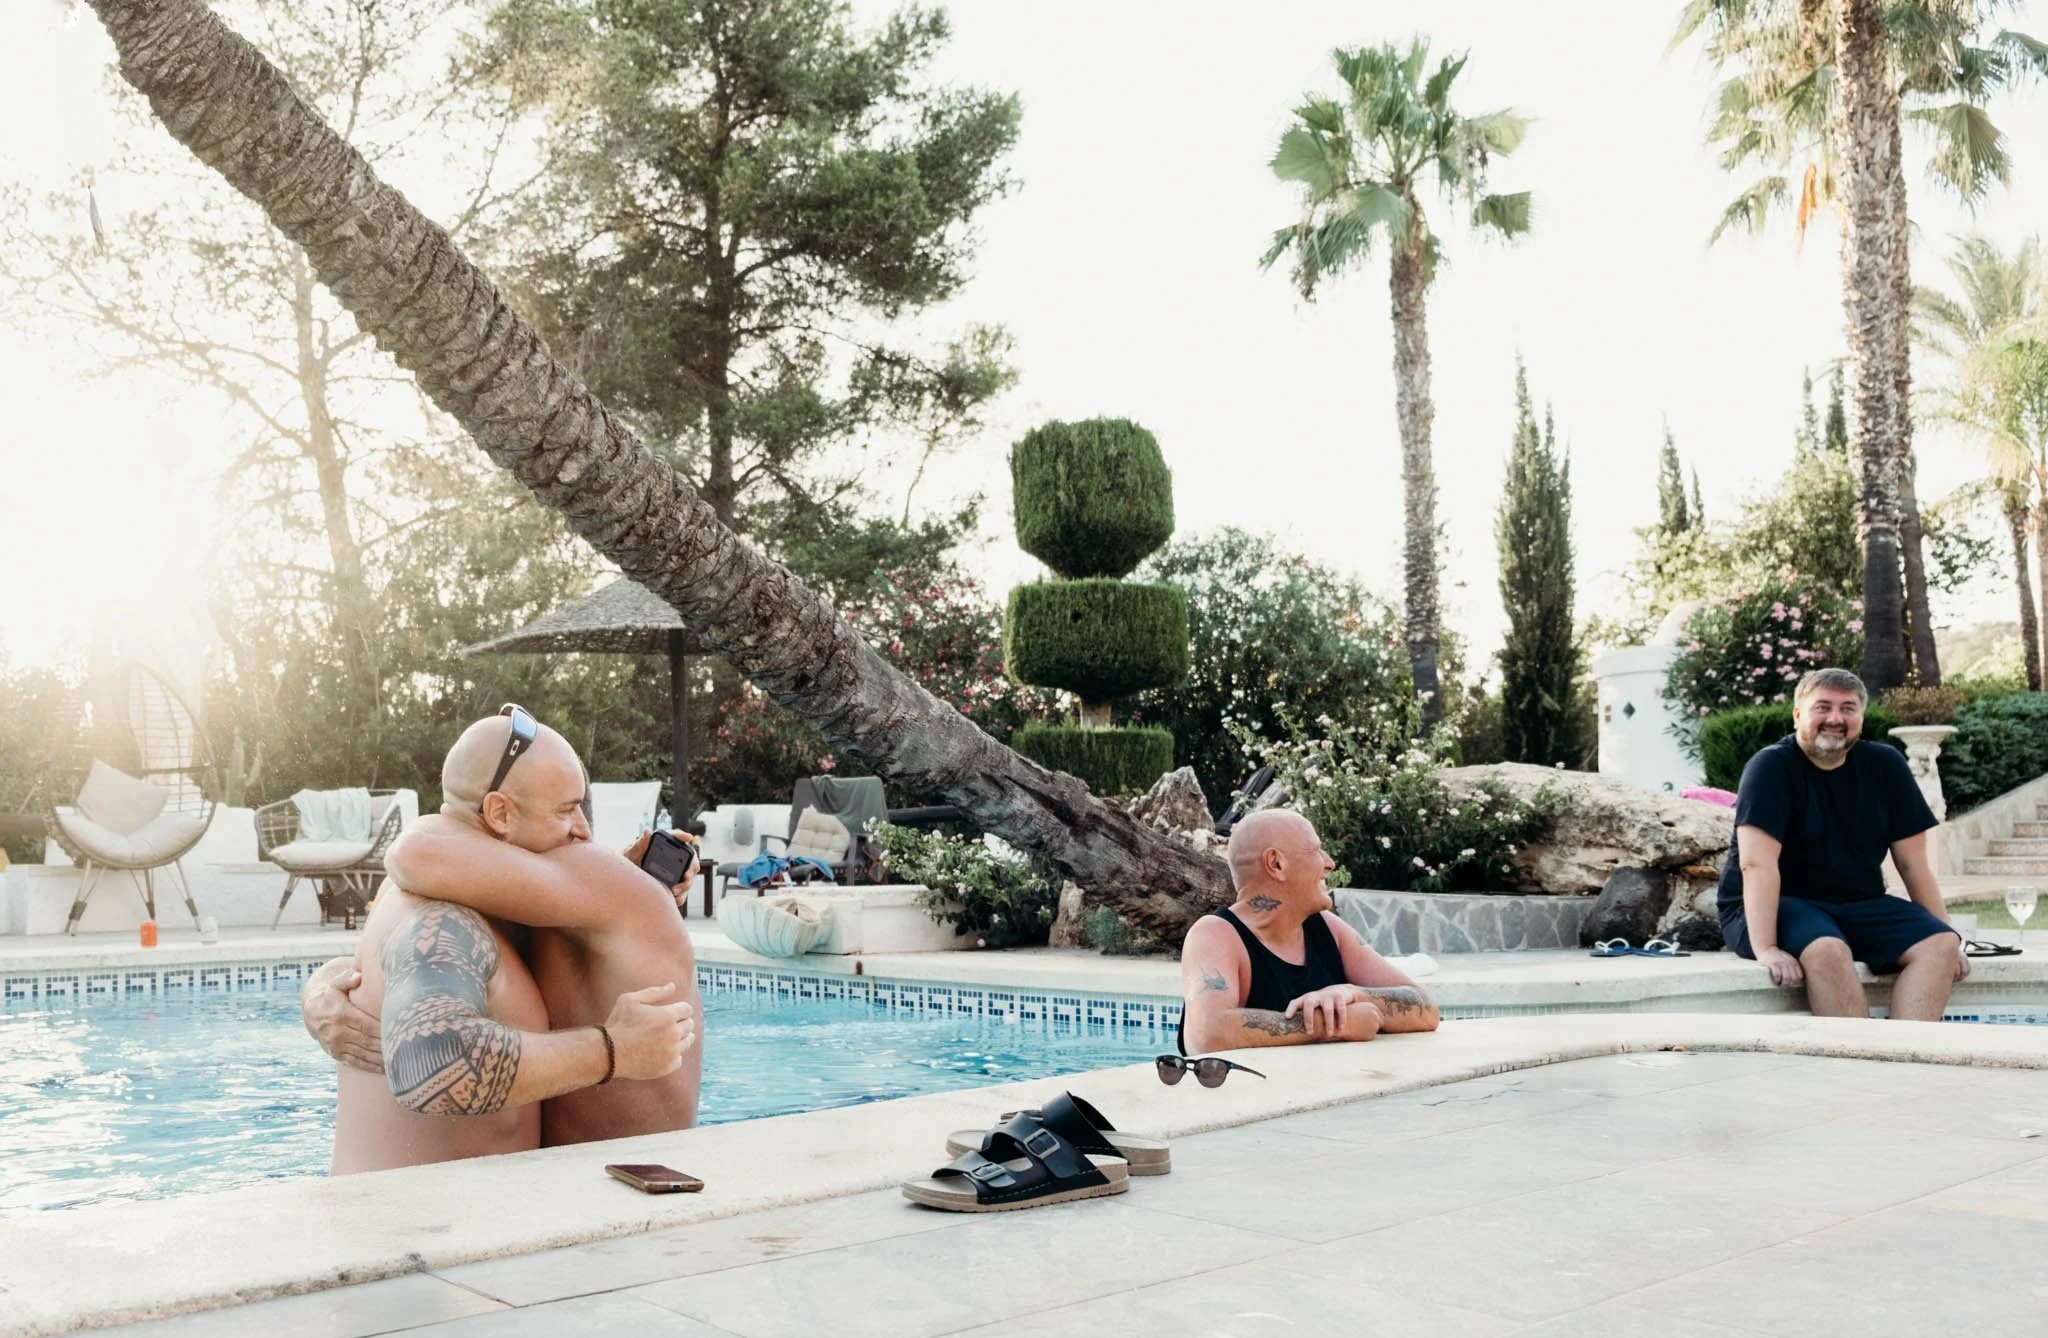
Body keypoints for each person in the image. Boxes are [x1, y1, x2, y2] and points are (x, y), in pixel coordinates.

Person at [316, 707, 706, 1168]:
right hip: (509, 1204)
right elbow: (432, 1062)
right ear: (499, 812)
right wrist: (613, 1048)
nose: (583, 832)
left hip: (633, 1191)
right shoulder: (440, 907)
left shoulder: (571, 888)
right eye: (566, 810)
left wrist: (323, 987)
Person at [1719, 667, 1968, 1019]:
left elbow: (1913, 864)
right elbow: (1755, 864)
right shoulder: (1770, 767)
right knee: (1828, 951)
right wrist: (1767, 947)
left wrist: (1946, 931)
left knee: (1941, 944)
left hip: (1858, 902)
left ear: (1860, 719)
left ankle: (1902, 1049)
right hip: (1779, 902)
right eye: (1823, 707)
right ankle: (1861, 1052)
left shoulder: (1885, 765)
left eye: (1847, 708)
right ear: (1797, 715)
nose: (1835, 718)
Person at [1178, 809, 1438, 1052]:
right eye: (1315, 850)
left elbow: (1425, 1008)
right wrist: (1331, 1023)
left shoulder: (1326, 928)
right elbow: (1208, 1032)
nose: (1329, 863)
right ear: (1276, 863)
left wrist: (1352, 994)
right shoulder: (1215, 935)